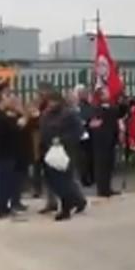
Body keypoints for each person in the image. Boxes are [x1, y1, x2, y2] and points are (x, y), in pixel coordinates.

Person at [39, 92, 87, 222]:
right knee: (52, 180)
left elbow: (79, 131)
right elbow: (42, 130)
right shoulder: (46, 115)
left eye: (54, 101)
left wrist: (63, 139)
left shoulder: (68, 114)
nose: (51, 104)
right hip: (49, 151)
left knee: (64, 180)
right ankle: (78, 200)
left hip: (65, 151)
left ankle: (66, 208)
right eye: (50, 102)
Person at [0, 86, 27, 219]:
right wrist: (20, 123)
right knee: (3, 183)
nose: (12, 99)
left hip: (4, 153)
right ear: (3, 98)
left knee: (6, 182)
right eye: (9, 96)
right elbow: (10, 131)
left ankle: (4, 207)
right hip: (4, 154)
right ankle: (2, 209)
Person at [89, 89, 121, 198]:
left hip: (111, 139)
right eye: (106, 93)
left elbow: (118, 113)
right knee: (101, 165)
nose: (108, 95)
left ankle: (107, 187)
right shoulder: (96, 109)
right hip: (101, 142)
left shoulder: (111, 108)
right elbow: (95, 125)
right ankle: (102, 189)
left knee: (109, 164)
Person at [75, 86, 96, 187]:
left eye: (87, 93)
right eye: (84, 94)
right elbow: (81, 119)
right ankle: (84, 178)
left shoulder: (89, 105)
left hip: (90, 133)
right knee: (83, 158)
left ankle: (91, 177)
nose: (86, 95)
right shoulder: (78, 107)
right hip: (82, 134)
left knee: (90, 157)